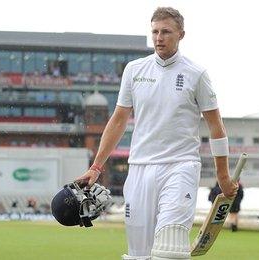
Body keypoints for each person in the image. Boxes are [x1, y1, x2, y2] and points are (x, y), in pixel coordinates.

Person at [74, 7, 237, 259]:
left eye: (166, 32)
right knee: (139, 254)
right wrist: (96, 167)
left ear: (181, 34)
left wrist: (223, 176)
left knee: (170, 248)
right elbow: (117, 121)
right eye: (155, 32)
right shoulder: (134, 70)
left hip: (180, 166)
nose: (159, 37)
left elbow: (216, 127)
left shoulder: (197, 74)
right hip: (140, 167)